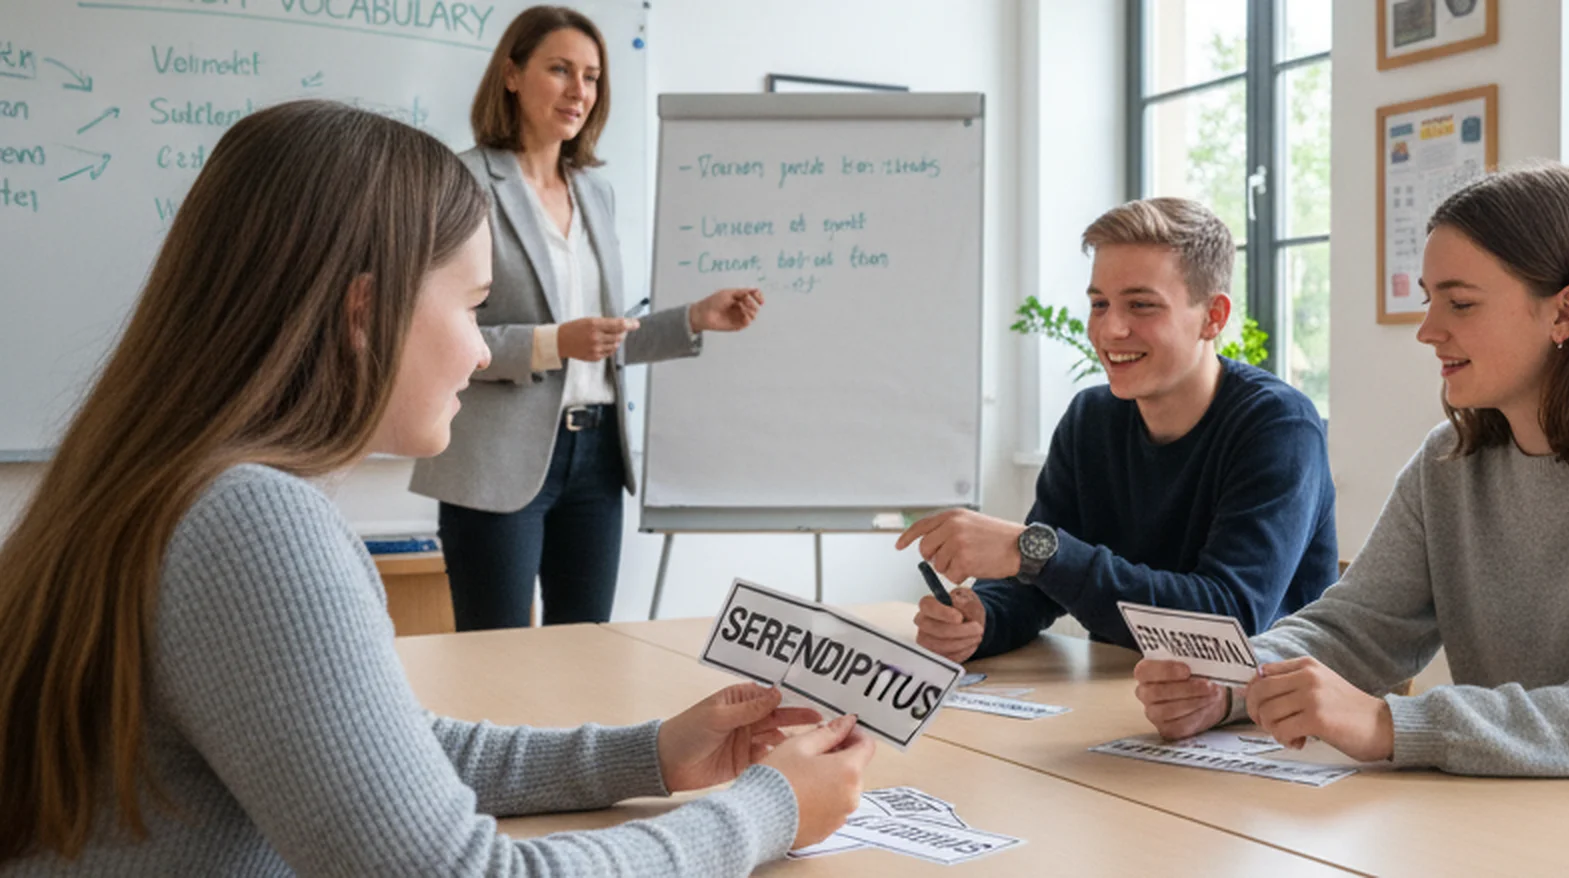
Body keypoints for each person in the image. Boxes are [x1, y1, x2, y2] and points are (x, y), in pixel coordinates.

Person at [0, 100, 872, 875]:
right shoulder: (253, 522)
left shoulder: (167, 479)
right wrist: (765, 811)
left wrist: (651, 755)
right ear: (361, 313)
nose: (485, 350)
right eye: (472, 307)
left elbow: (382, 757)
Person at [1134, 164, 1569, 778]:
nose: (1427, 330)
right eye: (1429, 300)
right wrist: (1226, 684)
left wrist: (1390, 723)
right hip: (1540, 819)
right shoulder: (1448, 464)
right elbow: (1356, 629)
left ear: (1565, 311)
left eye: (1459, 304)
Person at [410, 6, 765, 630]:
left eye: (593, 77)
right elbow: (433, 330)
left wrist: (695, 318)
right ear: (513, 75)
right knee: (496, 658)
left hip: (597, 457)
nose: (580, 91)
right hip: (497, 463)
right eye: (561, 70)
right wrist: (553, 343)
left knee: (586, 652)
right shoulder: (462, 182)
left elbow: (601, 339)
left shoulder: (594, 192)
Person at [902, 197, 1339, 662]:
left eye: (1142, 305)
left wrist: (1035, 551)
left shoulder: (1278, 426)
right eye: (1099, 304)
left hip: (1263, 718)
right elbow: (1036, 587)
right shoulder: (1091, 419)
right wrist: (983, 621)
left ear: (1213, 317)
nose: (1110, 329)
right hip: (1129, 702)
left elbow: (1225, 620)